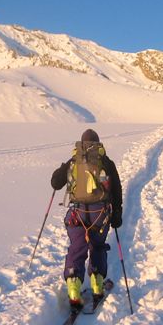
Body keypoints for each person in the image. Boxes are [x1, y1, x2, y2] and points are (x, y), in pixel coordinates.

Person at [51, 129, 122, 310]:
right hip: (100, 214)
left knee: (77, 249)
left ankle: (74, 289)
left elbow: (55, 183)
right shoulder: (105, 162)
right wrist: (116, 215)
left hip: (78, 214)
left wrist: (63, 168)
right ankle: (97, 285)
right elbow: (117, 190)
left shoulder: (74, 161)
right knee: (97, 247)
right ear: (98, 144)